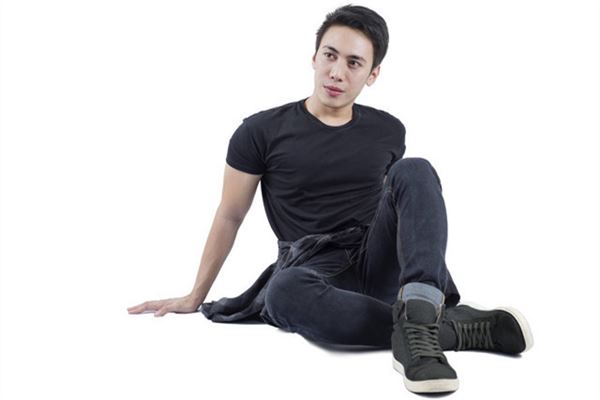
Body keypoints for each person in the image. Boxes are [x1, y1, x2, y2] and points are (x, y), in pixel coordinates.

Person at [128, 4, 533, 394]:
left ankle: (421, 308)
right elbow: (230, 214)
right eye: (330, 55)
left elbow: (403, 206)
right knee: (283, 292)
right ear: (314, 57)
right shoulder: (260, 131)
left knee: (416, 169)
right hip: (312, 267)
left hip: (376, 259)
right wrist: (195, 295)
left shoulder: (389, 130)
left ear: (372, 74)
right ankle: (440, 330)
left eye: (354, 63)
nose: (337, 72)